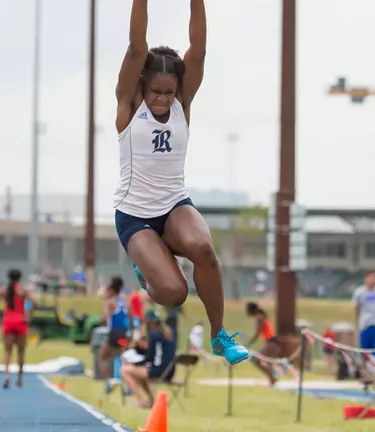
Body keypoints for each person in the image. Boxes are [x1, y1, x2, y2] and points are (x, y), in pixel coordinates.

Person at [112, 0, 247, 366]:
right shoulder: (130, 105)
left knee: (203, 249)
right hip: (135, 215)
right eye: (155, 92)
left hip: (174, 205)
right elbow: (136, 47)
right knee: (175, 294)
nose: (162, 99)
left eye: (169, 93)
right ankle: (149, 273)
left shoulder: (181, 105)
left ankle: (219, 336)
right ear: (142, 85)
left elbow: (198, 51)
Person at [120, 309, 176, 408]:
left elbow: (150, 357)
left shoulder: (154, 335)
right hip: (169, 372)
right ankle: (151, 400)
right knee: (138, 373)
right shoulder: (168, 334)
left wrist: (135, 364)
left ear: (148, 322)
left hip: (159, 371)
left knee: (124, 370)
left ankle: (140, 400)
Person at [0, 268, 35, 388]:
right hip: (20, 321)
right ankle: (19, 378)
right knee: (21, 352)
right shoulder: (23, 290)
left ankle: (7, 376)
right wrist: (29, 316)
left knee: (7, 351)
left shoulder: (4, 290)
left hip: (8, 321)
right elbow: (34, 302)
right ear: (20, 278)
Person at [98, 276, 130, 388]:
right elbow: (129, 316)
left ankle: (108, 382)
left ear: (111, 289)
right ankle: (127, 385)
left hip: (114, 333)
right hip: (124, 332)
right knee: (124, 358)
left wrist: (104, 301)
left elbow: (104, 318)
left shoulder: (110, 302)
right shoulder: (124, 300)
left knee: (103, 357)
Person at [352, 270, 375, 356]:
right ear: (365, 278)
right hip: (365, 326)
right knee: (365, 354)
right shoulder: (359, 293)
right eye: (370, 277)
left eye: (374, 277)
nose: (372, 280)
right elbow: (357, 312)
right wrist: (357, 329)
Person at [245, 302, 279, 386]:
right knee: (267, 362)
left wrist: (249, 344)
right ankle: (272, 380)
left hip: (271, 342)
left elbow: (257, 333)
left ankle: (272, 379)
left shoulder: (259, 317)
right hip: (272, 342)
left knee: (256, 360)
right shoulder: (262, 316)